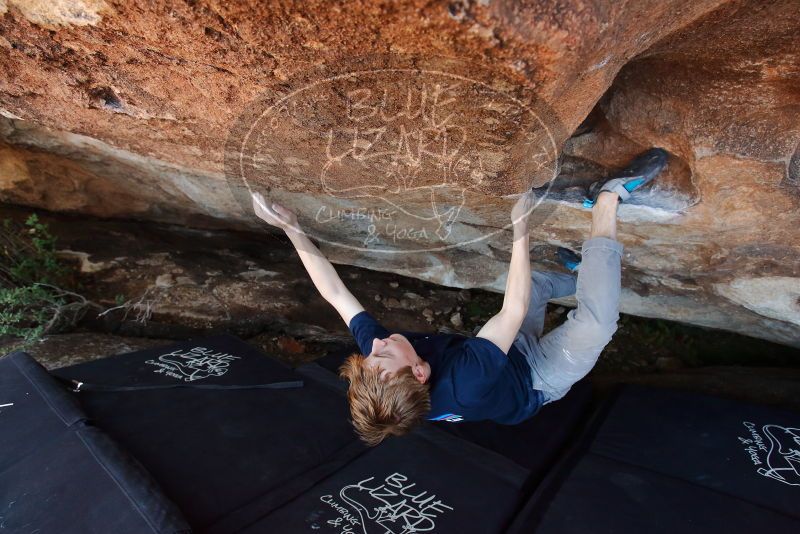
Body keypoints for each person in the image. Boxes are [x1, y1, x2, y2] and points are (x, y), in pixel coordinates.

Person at [252, 148, 668, 446]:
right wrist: (520, 228)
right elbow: (512, 310)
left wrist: (290, 227)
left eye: (372, 351)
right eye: (381, 352)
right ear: (417, 374)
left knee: (538, 283)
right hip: (535, 381)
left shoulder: (381, 366)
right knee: (595, 323)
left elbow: (335, 294)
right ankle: (608, 201)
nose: (376, 342)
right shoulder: (464, 383)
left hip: (499, 354)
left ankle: (584, 273)